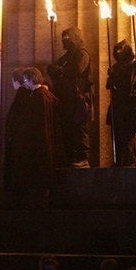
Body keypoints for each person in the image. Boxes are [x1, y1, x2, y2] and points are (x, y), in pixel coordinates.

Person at [3, 67, 57, 207]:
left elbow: (32, 122)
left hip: (36, 141)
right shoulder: (45, 95)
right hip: (44, 141)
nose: (24, 83)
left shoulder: (37, 97)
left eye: (25, 80)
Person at [47, 27, 92, 167]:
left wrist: (60, 71)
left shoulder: (82, 53)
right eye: (63, 38)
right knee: (67, 128)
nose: (65, 41)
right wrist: (54, 70)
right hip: (65, 98)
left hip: (78, 97)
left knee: (78, 128)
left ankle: (82, 158)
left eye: (68, 38)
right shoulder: (66, 56)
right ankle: (70, 156)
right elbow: (55, 68)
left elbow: (77, 69)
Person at [106, 40, 136, 167]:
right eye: (117, 50)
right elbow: (109, 85)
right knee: (117, 135)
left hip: (128, 106)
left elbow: (127, 86)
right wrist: (112, 76)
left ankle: (129, 161)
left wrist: (115, 76)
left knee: (127, 136)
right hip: (117, 104)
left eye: (121, 50)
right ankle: (119, 160)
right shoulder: (115, 67)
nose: (118, 53)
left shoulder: (131, 66)